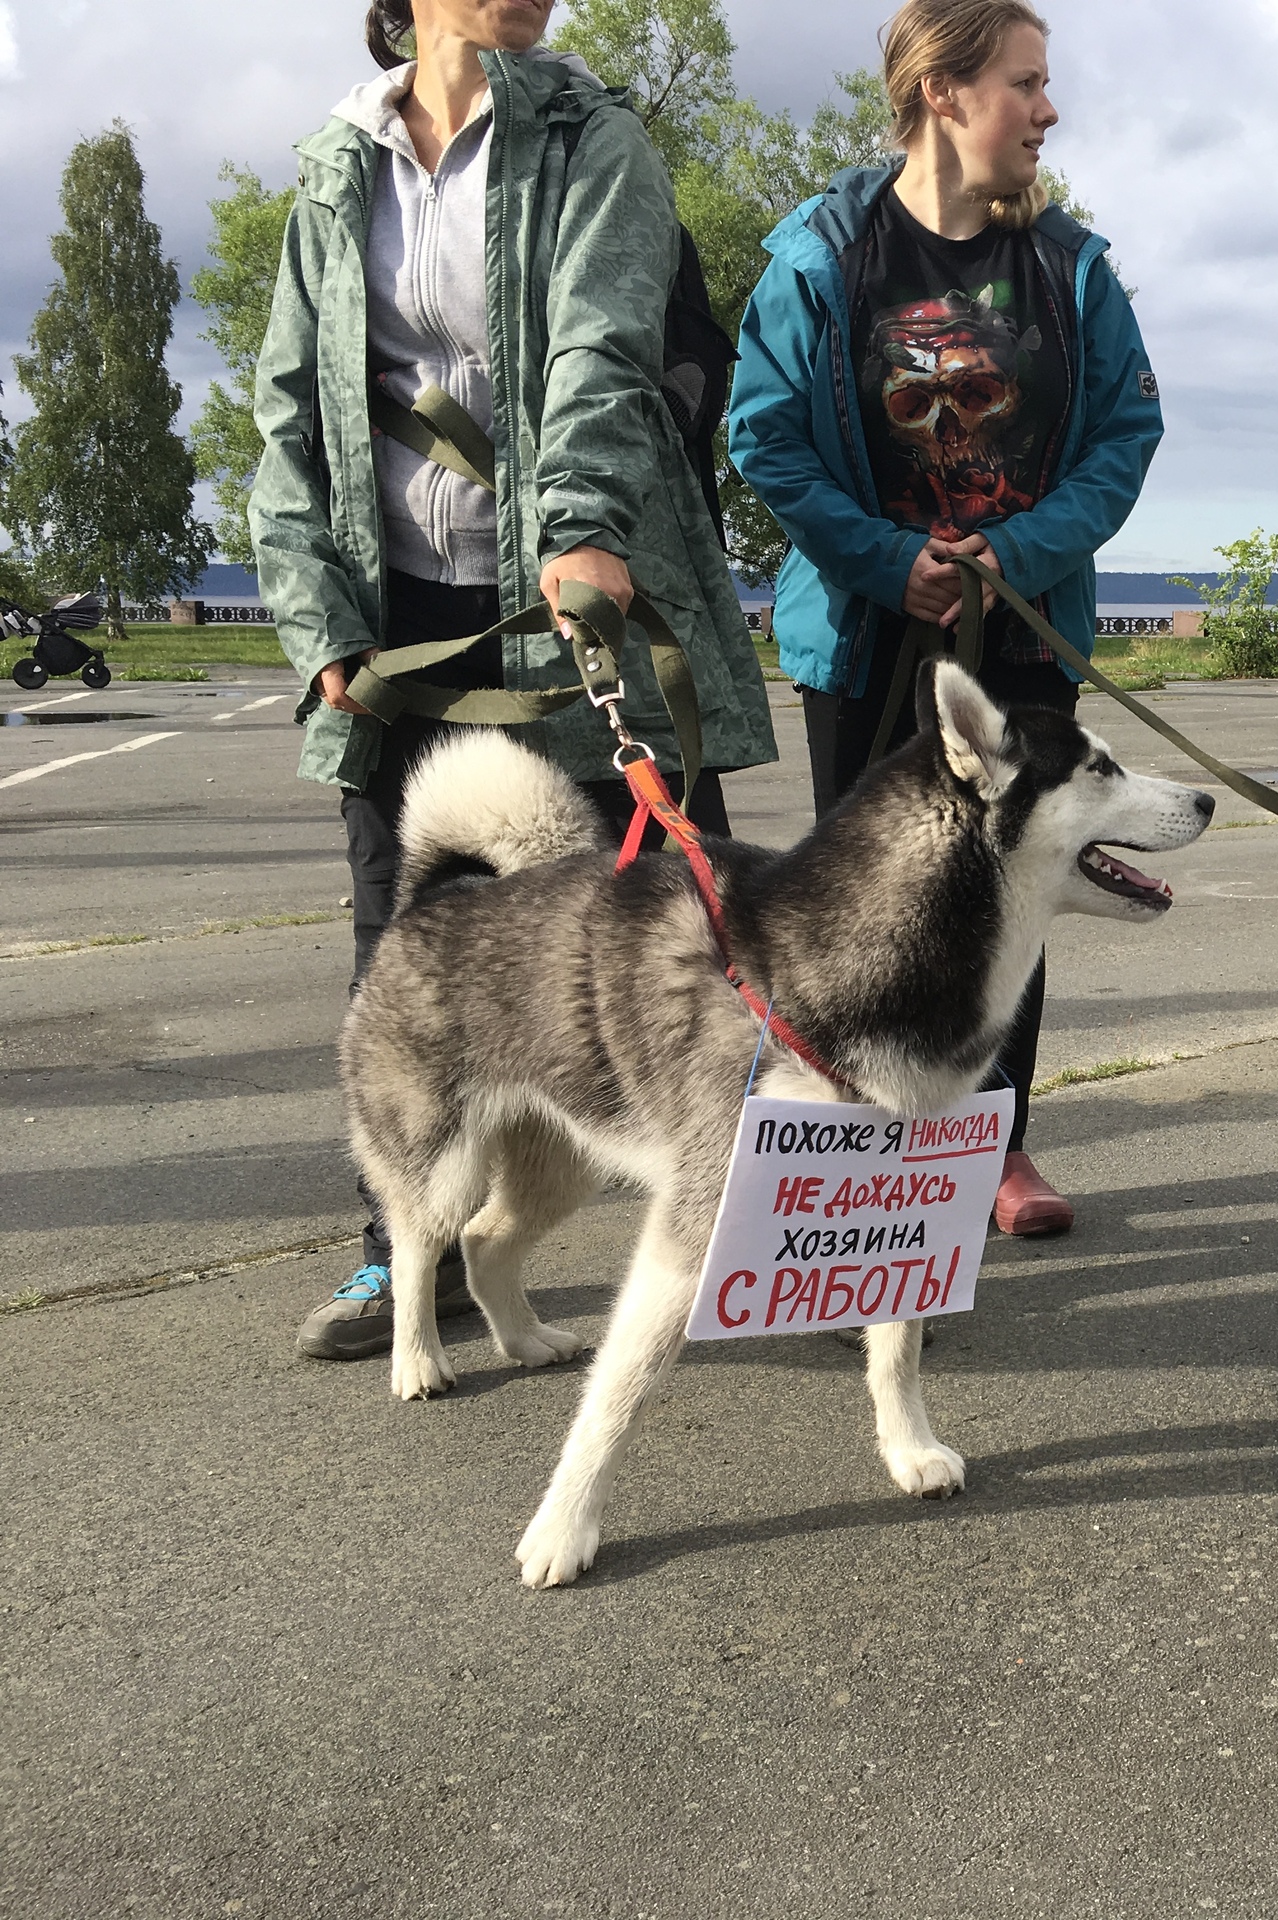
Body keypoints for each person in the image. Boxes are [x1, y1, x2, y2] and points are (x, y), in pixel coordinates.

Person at [253, 0, 777, 1359]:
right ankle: (402, 1255)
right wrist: (319, 628)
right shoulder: (332, 171)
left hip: (571, 591)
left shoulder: (592, 137)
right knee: (406, 946)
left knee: (669, 943)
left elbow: (602, 347)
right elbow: (290, 419)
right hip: (397, 614)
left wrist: (588, 524)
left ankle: (755, 1247)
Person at [728, 0, 1162, 1239]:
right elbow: (762, 435)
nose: (1047, 108)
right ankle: (844, 1158)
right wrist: (884, 559)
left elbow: (1127, 438)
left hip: (1019, 636)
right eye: (1025, 83)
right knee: (853, 902)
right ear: (942, 91)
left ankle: (992, 1142)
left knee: (1016, 887)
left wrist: (1010, 552)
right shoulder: (823, 251)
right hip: (867, 636)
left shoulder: (1071, 270)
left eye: (1045, 83)